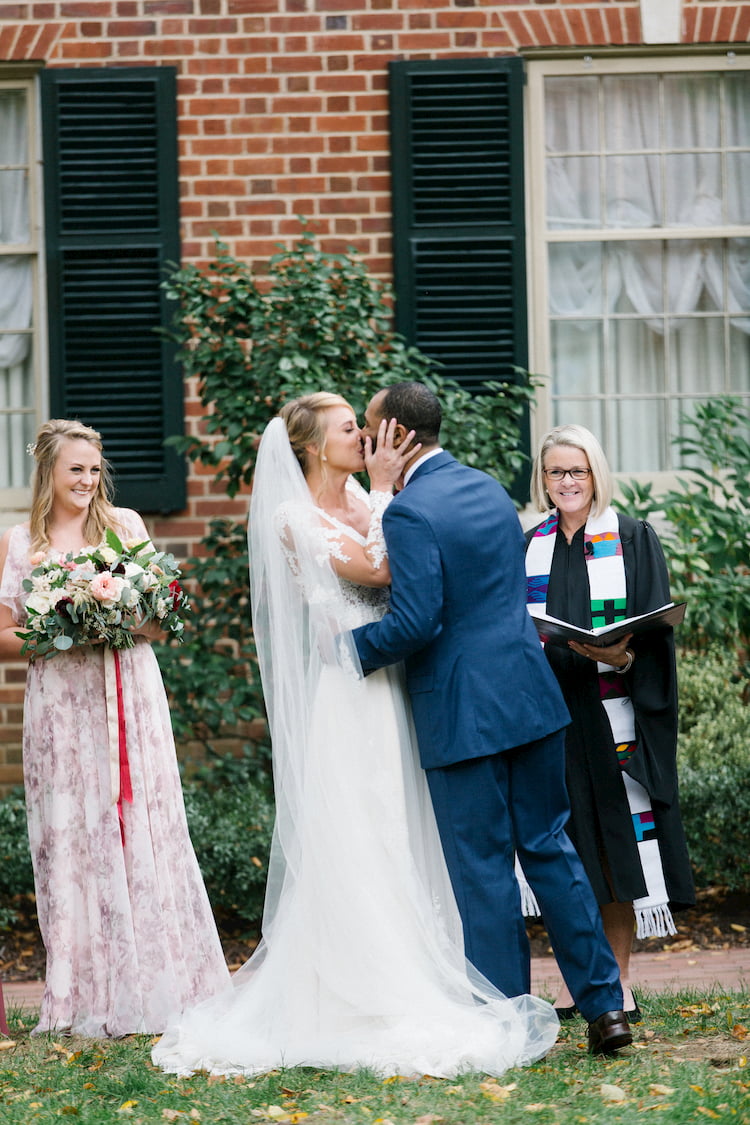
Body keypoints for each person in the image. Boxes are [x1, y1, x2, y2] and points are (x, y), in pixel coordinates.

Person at [152, 392, 560, 1078]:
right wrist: (382, 493)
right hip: (348, 697)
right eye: (351, 430)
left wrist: (382, 498)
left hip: (399, 688)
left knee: (410, 822)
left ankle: (433, 967)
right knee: (361, 828)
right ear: (313, 446)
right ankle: (361, 987)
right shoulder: (295, 516)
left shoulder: (378, 503)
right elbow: (378, 571)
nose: (367, 439)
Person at [352, 382, 632, 1056]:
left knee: (481, 868)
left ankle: (510, 1023)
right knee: (549, 847)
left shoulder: (410, 512)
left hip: (463, 711)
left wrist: (345, 650)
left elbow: (417, 622)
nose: (366, 442)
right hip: (531, 699)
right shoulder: (487, 489)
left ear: (395, 434)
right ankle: (605, 1006)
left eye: (370, 429)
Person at [0, 419, 229, 1037]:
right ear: (48, 471)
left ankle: (158, 983)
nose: (87, 480)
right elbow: (2, 634)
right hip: (60, 706)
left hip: (128, 692)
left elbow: (163, 617)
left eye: (95, 469)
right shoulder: (20, 542)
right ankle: (82, 991)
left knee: (139, 820)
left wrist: (112, 615)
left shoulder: (124, 527)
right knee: (72, 832)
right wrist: (58, 623)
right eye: (75, 469)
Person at [523, 423, 695, 1019]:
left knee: (613, 849)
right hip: (552, 717)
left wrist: (619, 655)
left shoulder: (630, 537)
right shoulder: (530, 542)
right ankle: (584, 981)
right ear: (542, 480)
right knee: (565, 849)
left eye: (578, 470)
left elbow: (654, 628)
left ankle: (617, 980)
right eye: (555, 472)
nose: (567, 482)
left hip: (615, 713)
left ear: (596, 473)